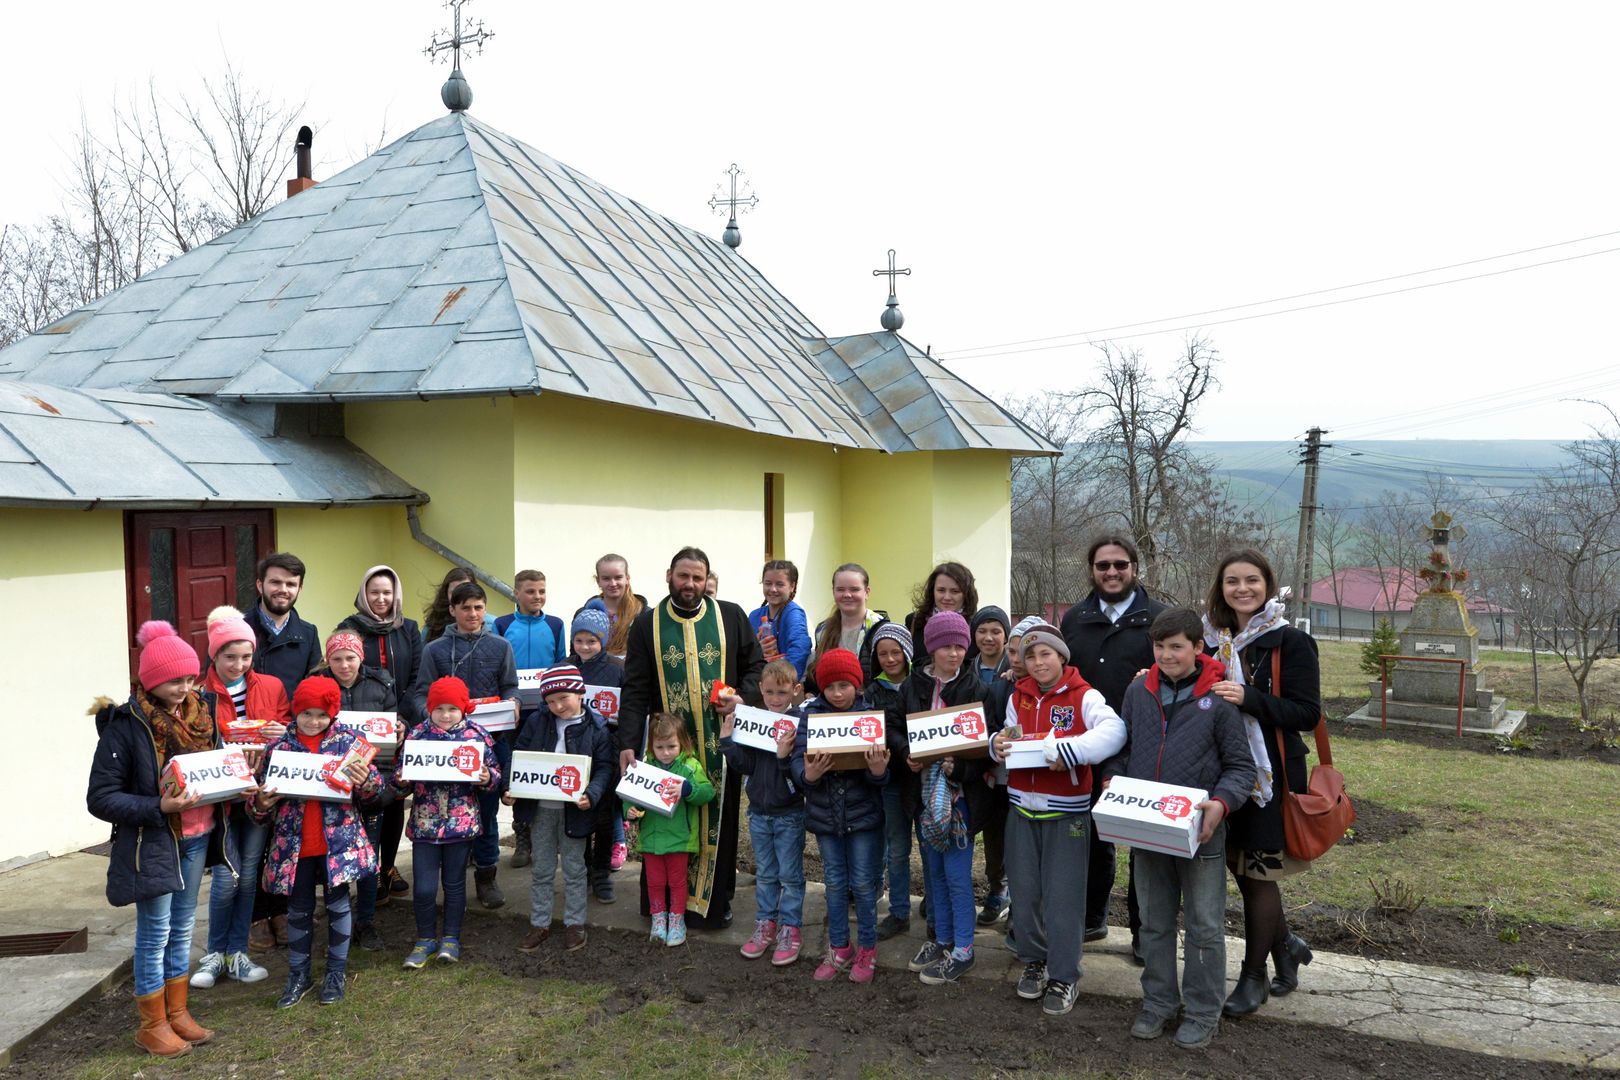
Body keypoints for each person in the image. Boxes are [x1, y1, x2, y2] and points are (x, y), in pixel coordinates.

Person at [1105, 607, 1256, 1049]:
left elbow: (1240, 766)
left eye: (1176, 647)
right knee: (1152, 921)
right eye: (1159, 646)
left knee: (1205, 924)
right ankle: (1157, 1003)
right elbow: (1123, 746)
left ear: (1196, 647)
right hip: (1146, 826)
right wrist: (1112, 776)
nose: (1167, 655)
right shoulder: (1138, 691)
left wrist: (1221, 804)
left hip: (1200, 830)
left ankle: (1203, 1010)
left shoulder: (1219, 697)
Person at [87, 620, 235, 1058]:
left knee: (184, 927)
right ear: (151, 679)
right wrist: (159, 808)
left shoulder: (202, 713)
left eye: (190, 678)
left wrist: (237, 779)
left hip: (197, 836)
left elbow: (216, 765)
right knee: (155, 933)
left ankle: (178, 1013)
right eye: (174, 680)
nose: (184, 687)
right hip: (155, 843)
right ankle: (151, 1024)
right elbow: (101, 798)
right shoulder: (124, 725)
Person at [618, 547, 764, 930]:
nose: (690, 584)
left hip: (722, 747)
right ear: (669, 575)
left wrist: (741, 697)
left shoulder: (730, 616)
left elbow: (756, 667)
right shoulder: (646, 624)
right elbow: (633, 688)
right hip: (666, 748)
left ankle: (715, 904)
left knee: (721, 817)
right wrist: (628, 742)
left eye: (698, 578)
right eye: (683, 576)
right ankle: (663, 903)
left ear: (707, 579)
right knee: (663, 821)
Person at [1203, 549, 1321, 1018]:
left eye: (1252, 580)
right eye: (1232, 581)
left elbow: (1307, 713)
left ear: (1268, 586)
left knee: (1257, 875)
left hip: (1269, 775)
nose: (1242, 589)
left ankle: (1254, 979)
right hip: (1223, 770)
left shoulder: (1289, 642)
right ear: (1221, 588)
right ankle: (1286, 944)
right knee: (1240, 867)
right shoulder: (1214, 641)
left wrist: (1249, 698)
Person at [988, 622, 1125, 1016]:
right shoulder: (1021, 696)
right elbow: (1009, 737)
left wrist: (1070, 750)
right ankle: (1034, 961)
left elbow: (1115, 731)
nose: (1037, 661)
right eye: (1029, 656)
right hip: (1021, 809)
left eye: (1045, 653)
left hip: (1066, 813)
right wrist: (997, 745)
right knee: (1026, 894)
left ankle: (1065, 975)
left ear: (1061, 656)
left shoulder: (1084, 695)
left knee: (1064, 897)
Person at [1060, 536, 1167, 954]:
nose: (1111, 572)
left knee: (1145, 843)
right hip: (1089, 744)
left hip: (1146, 745)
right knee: (1090, 836)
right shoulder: (1075, 619)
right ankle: (1093, 918)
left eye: (1120, 564)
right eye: (1103, 565)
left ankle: (1145, 933)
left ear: (1135, 568)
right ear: (1092, 570)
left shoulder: (1158, 617)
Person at [250, 676, 381, 1008]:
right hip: (295, 845)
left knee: (338, 905)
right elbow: (258, 804)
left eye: (321, 715)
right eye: (306, 714)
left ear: (333, 714)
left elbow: (376, 792)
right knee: (298, 909)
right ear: (296, 712)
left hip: (337, 843)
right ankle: (299, 975)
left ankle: (336, 972)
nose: (313, 721)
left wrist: (366, 781)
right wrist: (261, 805)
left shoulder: (350, 743)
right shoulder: (278, 749)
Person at [193, 606, 287, 989]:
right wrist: (228, 750)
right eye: (230, 657)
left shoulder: (272, 686)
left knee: (249, 874)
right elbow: (198, 745)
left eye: (246, 656)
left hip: (262, 795)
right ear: (214, 655)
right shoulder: (200, 694)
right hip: (225, 799)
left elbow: (288, 734)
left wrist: (279, 734)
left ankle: (237, 953)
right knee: (225, 877)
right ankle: (214, 953)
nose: (238, 664)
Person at [412, 581, 520, 909]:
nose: (472, 614)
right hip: (444, 747)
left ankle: (486, 876)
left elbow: (510, 687)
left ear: (485, 609)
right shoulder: (435, 650)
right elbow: (420, 694)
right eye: (465, 608)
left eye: (478, 607)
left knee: (487, 814)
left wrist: (512, 702)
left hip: (491, 741)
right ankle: (449, 875)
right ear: (453, 610)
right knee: (447, 810)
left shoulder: (501, 647)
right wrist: (435, 720)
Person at [896, 611, 989, 986]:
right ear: (931, 648)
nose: (953, 654)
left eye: (959, 647)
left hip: (959, 799)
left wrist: (960, 769)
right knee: (933, 874)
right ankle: (943, 939)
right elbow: (895, 726)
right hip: (923, 794)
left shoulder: (977, 689)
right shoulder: (914, 685)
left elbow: (985, 748)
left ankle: (964, 949)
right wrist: (907, 754)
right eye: (945, 646)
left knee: (956, 875)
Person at [792, 649, 890, 983]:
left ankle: (867, 948)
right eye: (830, 686)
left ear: (857, 686)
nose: (837, 693)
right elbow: (796, 762)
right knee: (833, 884)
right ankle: (839, 946)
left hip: (863, 817)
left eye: (844, 686)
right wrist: (808, 776)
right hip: (825, 816)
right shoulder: (810, 716)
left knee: (863, 884)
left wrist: (878, 771)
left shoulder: (869, 717)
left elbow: (881, 776)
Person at [394, 676, 500, 969]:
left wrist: (487, 778)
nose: (445, 715)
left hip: (460, 824)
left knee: (454, 885)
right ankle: (425, 939)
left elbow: (495, 774)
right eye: (439, 708)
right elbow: (400, 779)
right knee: (425, 887)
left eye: (452, 709)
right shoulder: (416, 736)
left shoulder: (477, 735)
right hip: (425, 825)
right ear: (429, 708)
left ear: (463, 709)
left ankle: (451, 938)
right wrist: (401, 781)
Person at [508, 665, 614, 953]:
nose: (557, 706)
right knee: (541, 867)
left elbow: (605, 767)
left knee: (574, 868)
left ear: (580, 693)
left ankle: (574, 923)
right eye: (550, 701)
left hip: (575, 811)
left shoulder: (597, 728)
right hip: (540, 809)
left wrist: (592, 794)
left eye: (563, 698)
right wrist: (512, 787)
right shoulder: (537, 722)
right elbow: (520, 754)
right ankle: (540, 922)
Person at [335, 564, 421, 907]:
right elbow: (345, 672)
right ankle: (363, 868)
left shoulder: (409, 629)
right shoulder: (349, 628)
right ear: (363, 595)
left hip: (400, 725)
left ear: (396, 594)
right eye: (374, 592)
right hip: (360, 728)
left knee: (393, 797)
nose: (381, 598)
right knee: (361, 798)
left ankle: (388, 868)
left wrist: (400, 719)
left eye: (387, 592)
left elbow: (416, 677)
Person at [720, 659, 807, 966]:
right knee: (767, 873)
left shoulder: (800, 724)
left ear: (795, 691)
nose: (775, 698)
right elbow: (746, 765)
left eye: (782, 692)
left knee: (790, 875)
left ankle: (791, 928)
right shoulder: (755, 721)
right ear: (760, 689)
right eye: (769, 692)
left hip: (790, 813)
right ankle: (765, 924)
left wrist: (785, 756)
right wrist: (728, 740)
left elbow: (801, 777)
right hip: (758, 812)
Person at [322, 631, 404, 951]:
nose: (344, 665)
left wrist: (382, 785)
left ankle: (366, 921)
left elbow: (391, 734)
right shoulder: (319, 687)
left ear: (361, 658)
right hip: (333, 787)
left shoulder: (381, 685)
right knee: (337, 858)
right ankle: (338, 920)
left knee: (369, 858)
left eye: (350, 658)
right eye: (337, 659)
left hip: (372, 784)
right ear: (328, 661)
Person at [627, 712, 717, 947]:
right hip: (651, 838)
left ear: (683, 743)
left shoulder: (689, 767)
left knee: (677, 882)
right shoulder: (644, 766)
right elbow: (630, 797)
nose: (666, 752)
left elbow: (707, 793)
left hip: (680, 838)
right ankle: (659, 919)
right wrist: (630, 812)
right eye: (660, 747)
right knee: (655, 882)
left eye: (671, 746)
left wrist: (687, 790)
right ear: (651, 746)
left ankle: (677, 920)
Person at [498, 569, 567, 870]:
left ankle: (545, 837)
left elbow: (562, 664)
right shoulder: (502, 625)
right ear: (516, 593)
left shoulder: (554, 625)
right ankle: (522, 837)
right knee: (517, 772)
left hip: (545, 711)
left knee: (544, 771)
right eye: (530, 591)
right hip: (514, 714)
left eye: (541, 591)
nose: (537, 596)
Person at [975, 615, 1036, 929]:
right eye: (1013, 652)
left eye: (1027, 651)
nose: (1018, 659)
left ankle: (1020, 905)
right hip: (1001, 775)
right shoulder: (1002, 684)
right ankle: (997, 889)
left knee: (1023, 845)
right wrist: (1000, 740)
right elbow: (997, 725)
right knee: (996, 837)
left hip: (1036, 781)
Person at [570, 605, 627, 899]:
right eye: (579, 641)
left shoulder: (616, 669)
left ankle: (602, 873)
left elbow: (628, 711)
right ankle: (582, 869)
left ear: (602, 640)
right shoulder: (564, 667)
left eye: (591, 641)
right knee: (576, 814)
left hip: (607, 753)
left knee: (605, 815)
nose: (585, 647)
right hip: (572, 753)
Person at [865, 623, 915, 940]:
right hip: (890, 779)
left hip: (921, 774)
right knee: (895, 848)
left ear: (907, 653)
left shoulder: (921, 685)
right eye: (883, 653)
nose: (890, 659)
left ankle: (936, 911)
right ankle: (899, 911)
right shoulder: (872, 692)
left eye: (895, 652)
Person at [966, 605, 1012, 926]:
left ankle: (1002, 890)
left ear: (1007, 636)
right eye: (982, 630)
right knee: (978, 827)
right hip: (974, 764)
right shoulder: (968, 668)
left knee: (1004, 832)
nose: (988, 637)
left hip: (1009, 768)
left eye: (996, 631)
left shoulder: (1016, 668)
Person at [805, 563, 891, 695]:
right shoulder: (822, 630)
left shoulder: (882, 629)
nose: (847, 594)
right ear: (833, 591)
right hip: (833, 707)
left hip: (872, 707)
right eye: (840, 589)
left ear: (867, 592)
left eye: (854, 589)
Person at [246, 553, 321, 700]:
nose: (283, 590)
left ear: (299, 589)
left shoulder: (309, 634)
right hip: (247, 721)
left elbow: (313, 688)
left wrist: (293, 722)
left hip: (289, 721)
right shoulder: (235, 627)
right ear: (260, 585)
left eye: (291, 584)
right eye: (275, 582)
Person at [749, 560, 813, 680]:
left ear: (792, 586)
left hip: (781, 685)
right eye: (768, 583)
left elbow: (799, 650)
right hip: (759, 683)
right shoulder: (754, 616)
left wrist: (784, 683)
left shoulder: (793, 613)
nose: (773, 589)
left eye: (779, 584)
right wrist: (757, 651)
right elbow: (744, 654)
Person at [580, 554, 647, 662]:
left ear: (627, 578)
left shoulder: (644, 614)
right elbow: (577, 653)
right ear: (598, 581)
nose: (613, 583)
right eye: (606, 578)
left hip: (632, 676)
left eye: (618, 577)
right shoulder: (585, 614)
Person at [422, 566, 496, 644]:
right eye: (454, 592)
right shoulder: (433, 625)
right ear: (446, 594)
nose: (461, 597)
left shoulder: (492, 624)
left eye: (466, 591)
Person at [904, 561, 978, 637]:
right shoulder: (914, 621)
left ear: (967, 594)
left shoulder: (977, 626)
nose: (947, 597)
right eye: (941, 590)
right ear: (932, 591)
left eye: (955, 591)